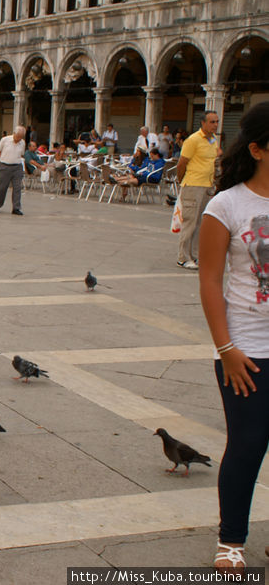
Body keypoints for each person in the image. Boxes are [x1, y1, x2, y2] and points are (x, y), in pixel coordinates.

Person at [198, 101, 269, 571]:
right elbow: (208, 280)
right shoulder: (227, 205)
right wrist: (226, 349)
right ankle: (232, 541)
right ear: (260, 149)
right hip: (248, 347)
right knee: (247, 444)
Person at [177, 111, 221, 270]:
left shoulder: (213, 140)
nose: (215, 125)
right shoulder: (193, 140)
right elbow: (182, 163)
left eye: (216, 122)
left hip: (207, 185)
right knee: (190, 221)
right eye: (212, 122)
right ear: (203, 123)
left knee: (200, 223)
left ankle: (195, 255)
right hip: (193, 185)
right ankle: (183, 257)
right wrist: (182, 181)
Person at [0, 126, 27, 215]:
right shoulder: (5, 140)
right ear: (14, 134)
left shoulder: (22, 143)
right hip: (5, 165)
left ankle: (16, 207)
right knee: (2, 188)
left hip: (17, 167)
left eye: (21, 137)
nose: (19, 139)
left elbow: (22, 155)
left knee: (17, 188)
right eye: (18, 136)